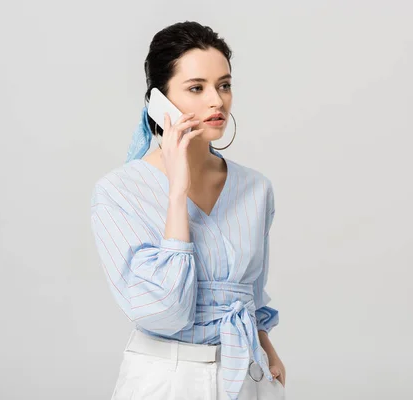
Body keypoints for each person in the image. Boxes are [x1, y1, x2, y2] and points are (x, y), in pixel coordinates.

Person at [90, 21, 286, 400]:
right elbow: (164, 310)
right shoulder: (118, 192)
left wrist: (267, 348)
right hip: (165, 378)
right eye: (197, 88)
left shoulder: (256, 188)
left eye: (224, 85)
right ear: (159, 100)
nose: (217, 100)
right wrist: (177, 192)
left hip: (247, 373)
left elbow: (253, 291)